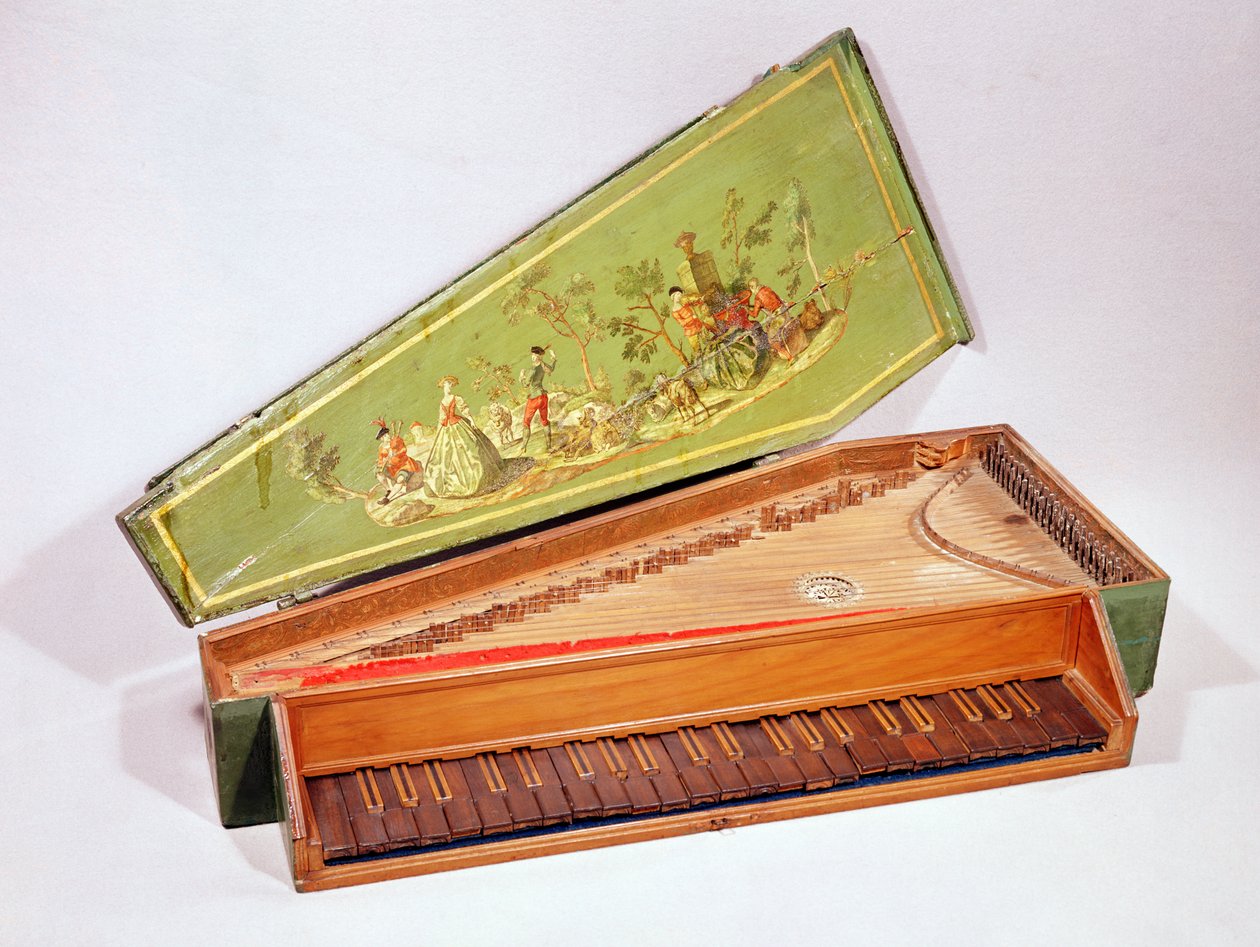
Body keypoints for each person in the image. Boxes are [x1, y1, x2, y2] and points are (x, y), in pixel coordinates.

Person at [422, 375, 505, 498]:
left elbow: (465, 410)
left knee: (472, 447)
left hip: (459, 425)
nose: (449, 387)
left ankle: (478, 477)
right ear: (443, 386)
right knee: (446, 455)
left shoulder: (456, 398)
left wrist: (471, 421)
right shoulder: (442, 402)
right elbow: (441, 419)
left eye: (450, 384)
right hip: (446, 429)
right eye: (447, 384)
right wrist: (438, 434)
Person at [518, 345, 557, 453]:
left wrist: (521, 377)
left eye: (534, 355)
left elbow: (525, 385)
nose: (532, 357)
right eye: (532, 355)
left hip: (534, 399)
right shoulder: (543, 366)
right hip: (543, 397)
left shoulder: (532, 370)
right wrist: (554, 358)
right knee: (544, 421)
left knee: (526, 423)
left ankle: (523, 447)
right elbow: (552, 369)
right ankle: (549, 447)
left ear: (539, 356)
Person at [372, 419, 420, 505]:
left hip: (404, 465)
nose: (388, 436)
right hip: (392, 469)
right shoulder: (382, 448)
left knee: (400, 480)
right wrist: (383, 462)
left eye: (388, 434)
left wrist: (394, 456)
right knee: (379, 474)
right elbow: (380, 460)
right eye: (385, 436)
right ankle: (389, 490)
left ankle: (387, 499)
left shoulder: (396, 441)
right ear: (382, 438)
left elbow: (403, 451)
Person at [668, 286, 717, 357]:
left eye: (680, 294)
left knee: (709, 342)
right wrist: (691, 318)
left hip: (699, 325)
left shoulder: (684, 304)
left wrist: (701, 299)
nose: (680, 296)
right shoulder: (675, 311)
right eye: (677, 294)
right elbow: (682, 323)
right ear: (673, 297)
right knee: (697, 351)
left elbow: (694, 303)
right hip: (690, 331)